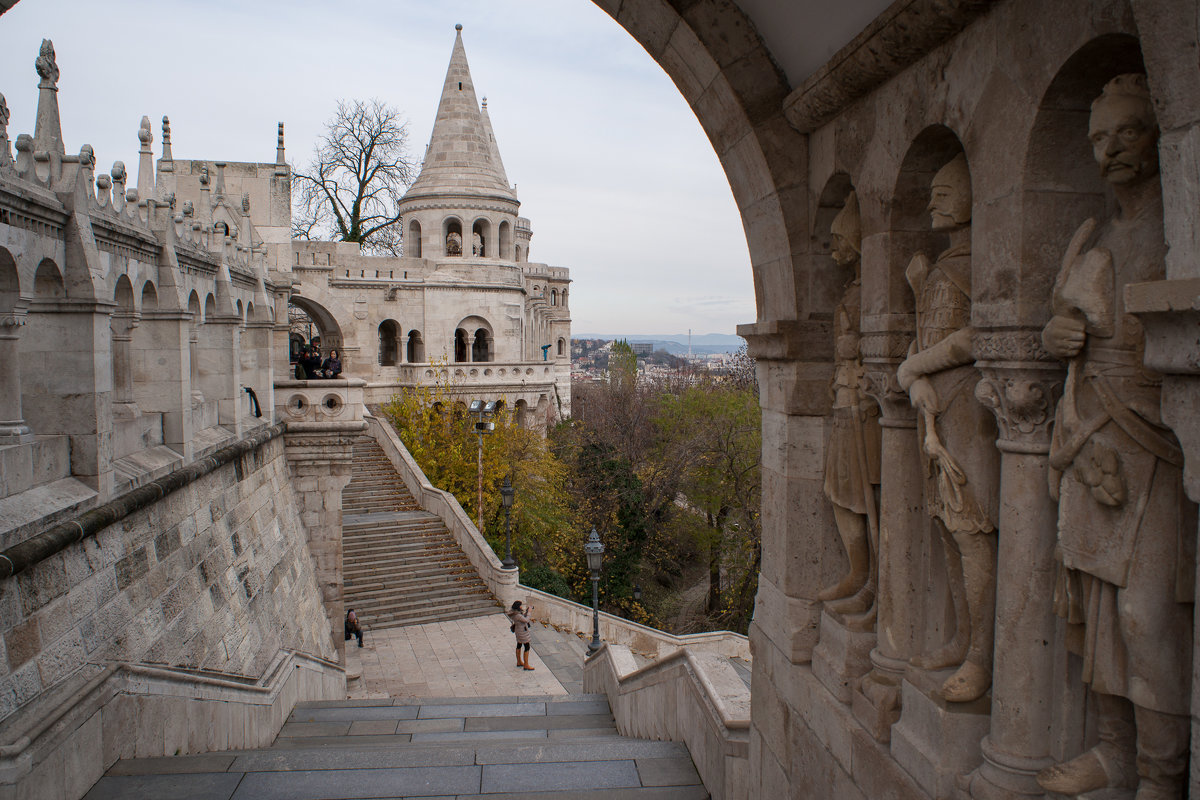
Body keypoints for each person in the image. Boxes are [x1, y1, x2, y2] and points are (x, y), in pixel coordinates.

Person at [1036, 73, 1194, 800]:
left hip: (1154, 440)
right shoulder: (1092, 235)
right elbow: (1055, 328)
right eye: (1098, 138)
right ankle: (1113, 752)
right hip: (1090, 438)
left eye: (1125, 132)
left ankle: (1163, 774)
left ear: (1159, 130)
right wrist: (1058, 332)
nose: (1110, 150)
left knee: (1144, 615)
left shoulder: (1179, 225)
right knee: (1093, 607)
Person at [896, 152, 1000, 703]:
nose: (932, 201)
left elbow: (972, 338)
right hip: (936, 409)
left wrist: (914, 368)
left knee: (970, 531)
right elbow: (931, 338)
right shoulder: (941, 268)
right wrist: (915, 380)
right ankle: (963, 639)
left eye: (944, 191)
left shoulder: (982, 262)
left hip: (970, 413)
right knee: (946, 531)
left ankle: (983, 657)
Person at [505, 601, 535, 670]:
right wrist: (529, 612)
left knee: (519, 644)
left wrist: (526, 612)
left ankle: (519, 661)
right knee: (527, 646)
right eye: (520, 606)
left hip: (518, 631)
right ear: (518, 607)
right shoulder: (517, 615)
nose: (521, 607)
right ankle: (526, 665)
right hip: (522, 632)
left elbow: (522, 618)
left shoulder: (515, 613)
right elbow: (526, 620)